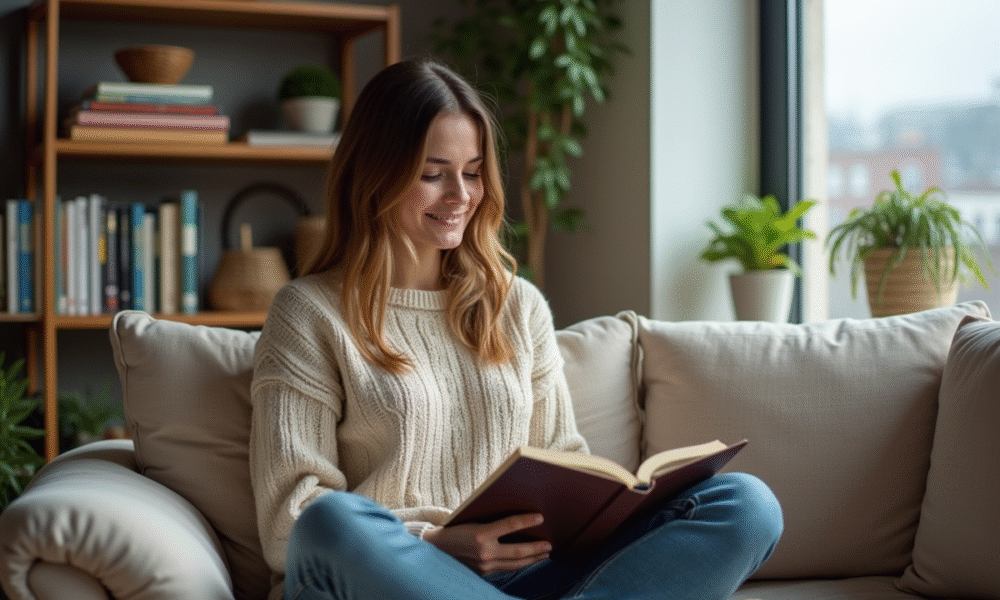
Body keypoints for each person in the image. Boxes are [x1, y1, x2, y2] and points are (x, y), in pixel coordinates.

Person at [249, 56, 783, 600]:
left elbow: (562, 460)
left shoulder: (517, 305)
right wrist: (435, 541)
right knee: (331, 523)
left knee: (745, 504)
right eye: (433, 174)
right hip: (404, 576)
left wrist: (604, 506)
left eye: (474, 172)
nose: (460, 195)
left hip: (534, 574)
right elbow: (290, 521)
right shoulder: (309, 313)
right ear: (375, 174)